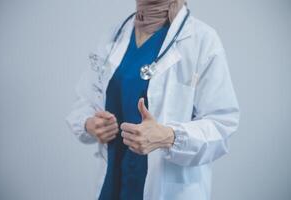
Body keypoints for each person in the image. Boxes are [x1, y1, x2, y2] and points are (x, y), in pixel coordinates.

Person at [65, 0, 240, 199]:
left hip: (169, 191)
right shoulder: (114, 36)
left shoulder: (202, 40)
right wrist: (90, 123)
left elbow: (222, 125)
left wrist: (169, 136)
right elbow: (84, 100)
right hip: (113, 186)